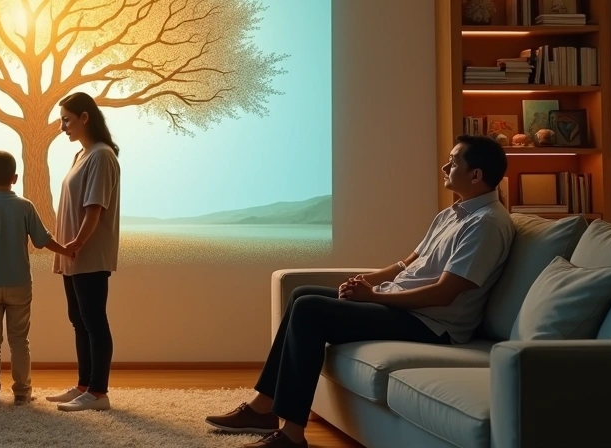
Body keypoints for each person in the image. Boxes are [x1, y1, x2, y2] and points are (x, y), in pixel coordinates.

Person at [205, 135, 514, 448]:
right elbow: (406, 263)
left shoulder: (486, 224)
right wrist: (365, 281)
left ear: (475, 175)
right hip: (402, 307)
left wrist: (374, 297)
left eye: (454, 161)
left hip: (431, 324)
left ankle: (291, 435)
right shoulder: (452, 214)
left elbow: (444, 294)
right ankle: (262, 407)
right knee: (301, 295)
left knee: (310, 309)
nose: (444, 166)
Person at [0, 150, 74, 405]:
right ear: (15, 177)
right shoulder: (25, 206)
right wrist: (67, 250)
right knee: (19, 340)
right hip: (20, 284)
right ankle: (22, 393)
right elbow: (43, 241)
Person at [44, 92, 122, 412]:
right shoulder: (81, 156)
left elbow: (95, 209)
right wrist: (66, 247)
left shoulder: (102, 156)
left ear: (85, 117)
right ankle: (84, 385)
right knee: (78, 319)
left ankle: (98, 393)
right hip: (73, 254)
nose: (62, 126)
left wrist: (76, 242)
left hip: (88, 253)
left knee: (93, 320)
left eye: (66, 119)